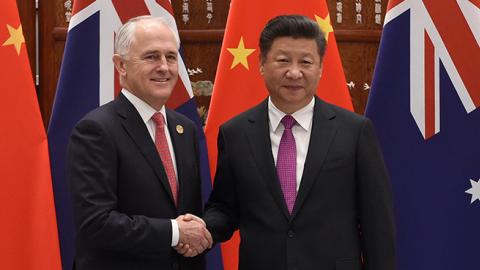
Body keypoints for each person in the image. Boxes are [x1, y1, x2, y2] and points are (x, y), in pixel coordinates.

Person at [199, 14, 396, 270]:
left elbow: (377, 223)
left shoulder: (355, 132)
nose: (294, 72)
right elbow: (225, 208)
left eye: (305, 62)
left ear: (320, 68)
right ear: (261, 63)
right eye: (283, 61)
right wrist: (201, 231)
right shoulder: (235, 133)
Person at [67, 15, 211, 270]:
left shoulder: (184, 129)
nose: (164, 67)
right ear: (121, 65)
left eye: (170, 56)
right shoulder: (96, 130)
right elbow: (96, 223)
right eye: (151, 57)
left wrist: (193, 234)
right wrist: (175, 232)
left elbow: (187, 213)